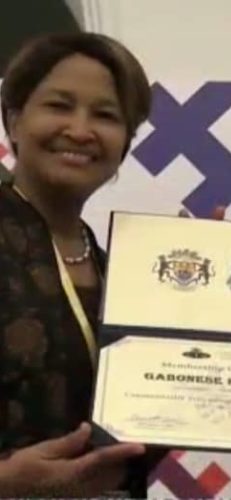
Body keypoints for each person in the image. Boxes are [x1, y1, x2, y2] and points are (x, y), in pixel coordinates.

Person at [0, 32, 152, 496]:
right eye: (59, 106)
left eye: (106, 115)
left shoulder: (118, 272)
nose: (81, 130)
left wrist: (197, 310)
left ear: (124, 142)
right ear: (14, 120)